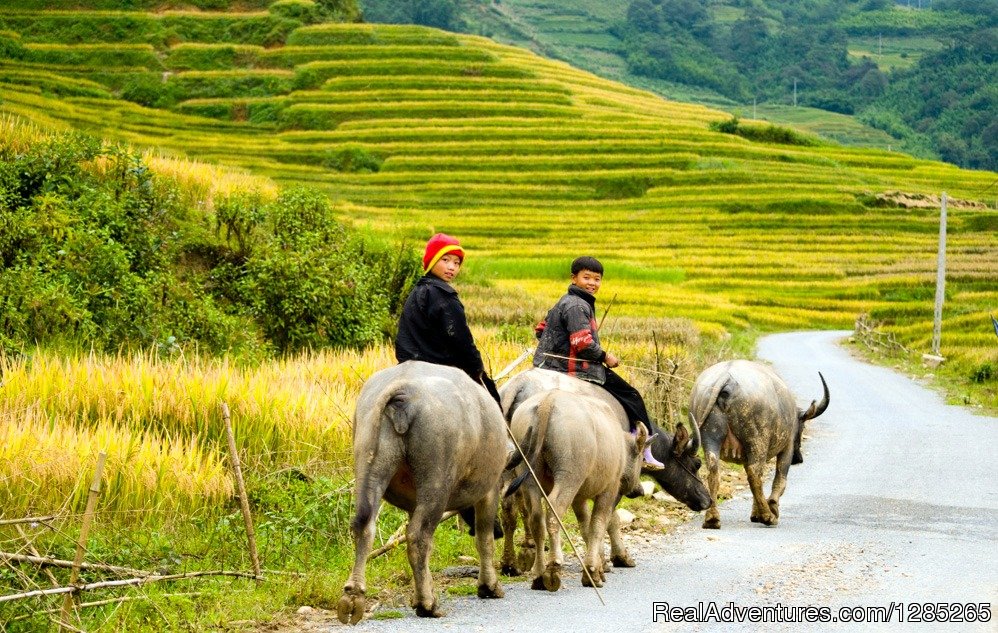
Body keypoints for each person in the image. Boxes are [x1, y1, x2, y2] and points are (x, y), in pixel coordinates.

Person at [533, 255, 666, 470]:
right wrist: (606, 357)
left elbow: (540, 330)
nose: (592, 283)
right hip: (575, 370)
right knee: (632, 396)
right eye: (587, 278)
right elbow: (583, 343)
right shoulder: (578, 305)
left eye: (597, 279)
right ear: (574, 278)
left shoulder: (565, 301)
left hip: (545, 366)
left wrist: (558, 344)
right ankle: (642, 449)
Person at [395, 232, 502, 406]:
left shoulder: (416, 292)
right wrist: (478, 372)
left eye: (456, 263)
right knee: (493, 405)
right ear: (431, 261)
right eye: (445, 260)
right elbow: (462, 341)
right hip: (439, 371)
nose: (452, 267)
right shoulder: (444, 297)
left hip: (407, 368)